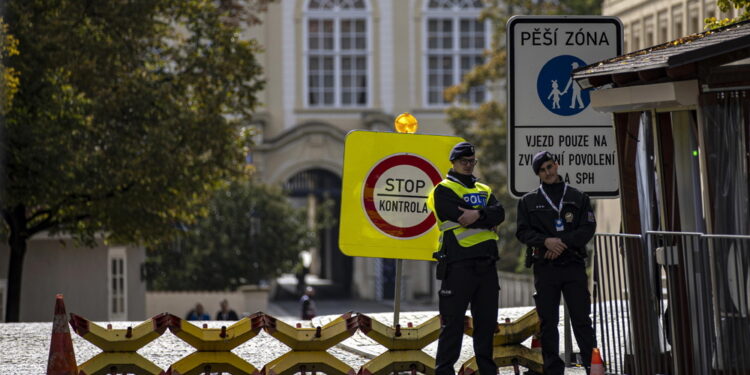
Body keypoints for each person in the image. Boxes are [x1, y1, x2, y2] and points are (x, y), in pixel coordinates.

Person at [425, 141, 505, 375]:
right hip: (458, 264)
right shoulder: (443, 190)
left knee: (486, 324)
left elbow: (499, 213)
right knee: (452, 325)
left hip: (487, 264)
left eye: (472, 162)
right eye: (464, 162)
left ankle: (488, 371)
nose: (469, 165)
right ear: (453, 163)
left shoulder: (484, 190)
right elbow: (460, 217)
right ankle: (445, 371)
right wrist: (486, 216)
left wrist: (478, 213)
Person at [515, 151, 596, 375]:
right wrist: (545, 242)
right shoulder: (528, 201)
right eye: (542, 170)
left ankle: (592, 366)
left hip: (573, 265)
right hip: (545, 268)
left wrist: (560, 243)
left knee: (581, 320)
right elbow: (522, 232)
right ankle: (552, 369)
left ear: (557, 165)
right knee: (548, 323)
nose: (548, 172)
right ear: (538, 174)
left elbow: (587, 229)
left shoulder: (578, 197)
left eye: (550, 167)